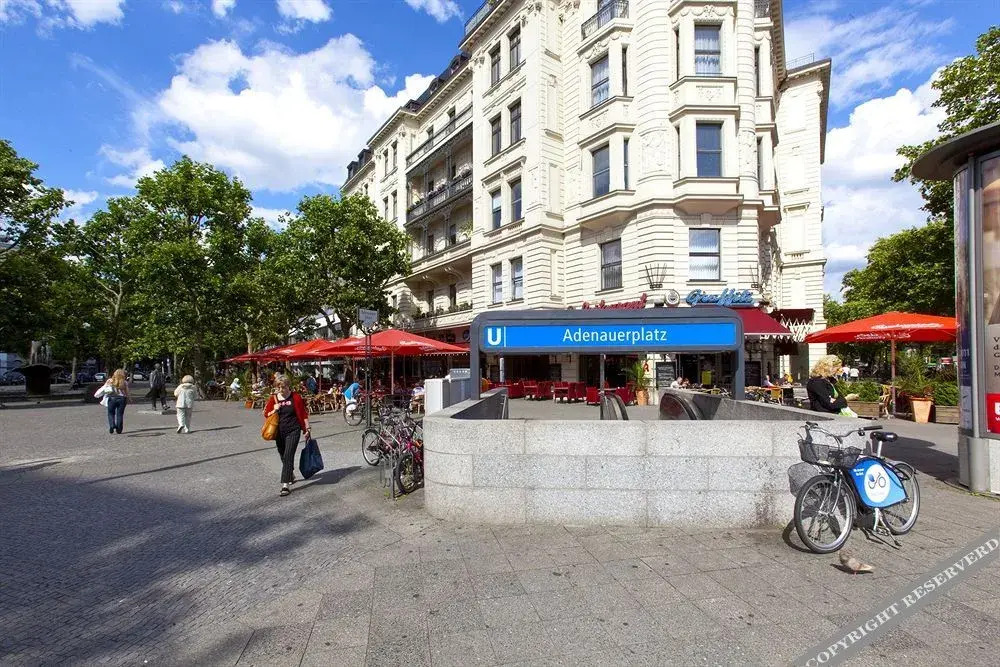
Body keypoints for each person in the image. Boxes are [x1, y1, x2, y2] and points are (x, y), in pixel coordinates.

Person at [263, 374, 311, 497]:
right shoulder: (273, 398)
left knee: (288, 455)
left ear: (288, 386)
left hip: (293, 430)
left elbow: (303, 414)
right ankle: (290, 473)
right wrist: (274, 409)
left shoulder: (296, 397)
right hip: (278, 432)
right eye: (278, 387)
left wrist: (307, 428)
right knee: (283, 455)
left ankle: (285, 484)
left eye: (283, 387)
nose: (281, 390)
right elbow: (266, 414)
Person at [103, 369, 129, 434]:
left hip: (112, 398)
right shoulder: (124, 382)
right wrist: (128, 398)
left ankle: (112, 425)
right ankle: (119, 429)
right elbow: (127, 392)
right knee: (120, 414)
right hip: (122, 399)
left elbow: (105, 389)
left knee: (111, 413)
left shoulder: (110, 381)